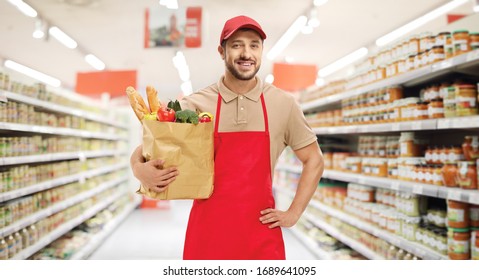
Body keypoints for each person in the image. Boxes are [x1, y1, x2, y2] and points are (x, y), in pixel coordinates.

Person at [130, 15, 324, 260]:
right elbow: (149, 145)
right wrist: (138, 168)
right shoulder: (194, 104)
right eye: (236, 45)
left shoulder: (283, 104)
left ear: (262, 50)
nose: (246, 53)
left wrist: (294, 213)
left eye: (254, 45)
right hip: (208, 233)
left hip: (261, 233)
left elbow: (314, 160)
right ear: (221, 52)